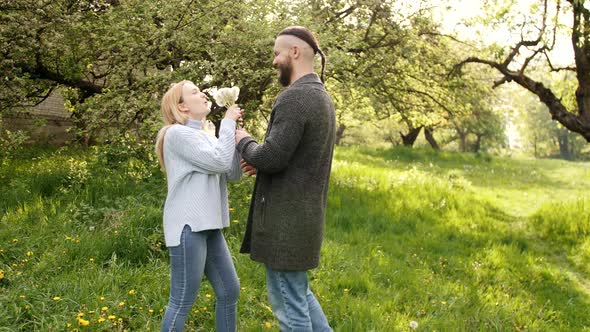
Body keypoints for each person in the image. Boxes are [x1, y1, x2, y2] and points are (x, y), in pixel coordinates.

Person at [234, 26, 336, 331]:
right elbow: (294, 158)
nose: (274, 60)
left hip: (285, 224)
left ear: (295, 52)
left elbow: (272, 157)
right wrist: (262, 161)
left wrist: (244, 141)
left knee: (290, 310)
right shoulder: (320, 96)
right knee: (299, 295)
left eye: (277, 53)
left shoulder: (296, 98)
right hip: (303, 219)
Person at [155, 80, 244, 332]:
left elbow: (232, 173)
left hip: (209, 225)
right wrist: (227, 123)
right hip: (188, 227)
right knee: (182, 300)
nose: (203, 94)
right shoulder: (176, 134)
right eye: (195, 92)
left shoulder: (205, 135)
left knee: (229, 290)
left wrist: (235, 137)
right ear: (182, 107)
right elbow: (218, 161)